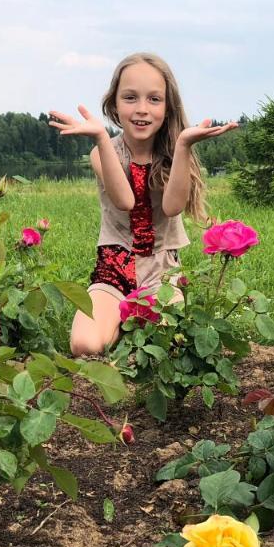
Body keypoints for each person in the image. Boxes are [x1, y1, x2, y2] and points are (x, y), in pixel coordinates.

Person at [49, 53, 237, 356]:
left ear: (167, 107)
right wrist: (99, 137)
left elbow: (173, 206)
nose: (141, 109)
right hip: (114, 266)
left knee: (169, 347)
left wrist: (185, 145)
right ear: (114, 105)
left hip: (161, 270)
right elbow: (125, 201)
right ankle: (121, 318)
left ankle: (131, 322)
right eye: (130, 98)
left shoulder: (175, 153)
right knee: (85, 345)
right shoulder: (103, 152)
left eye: (153, 99)